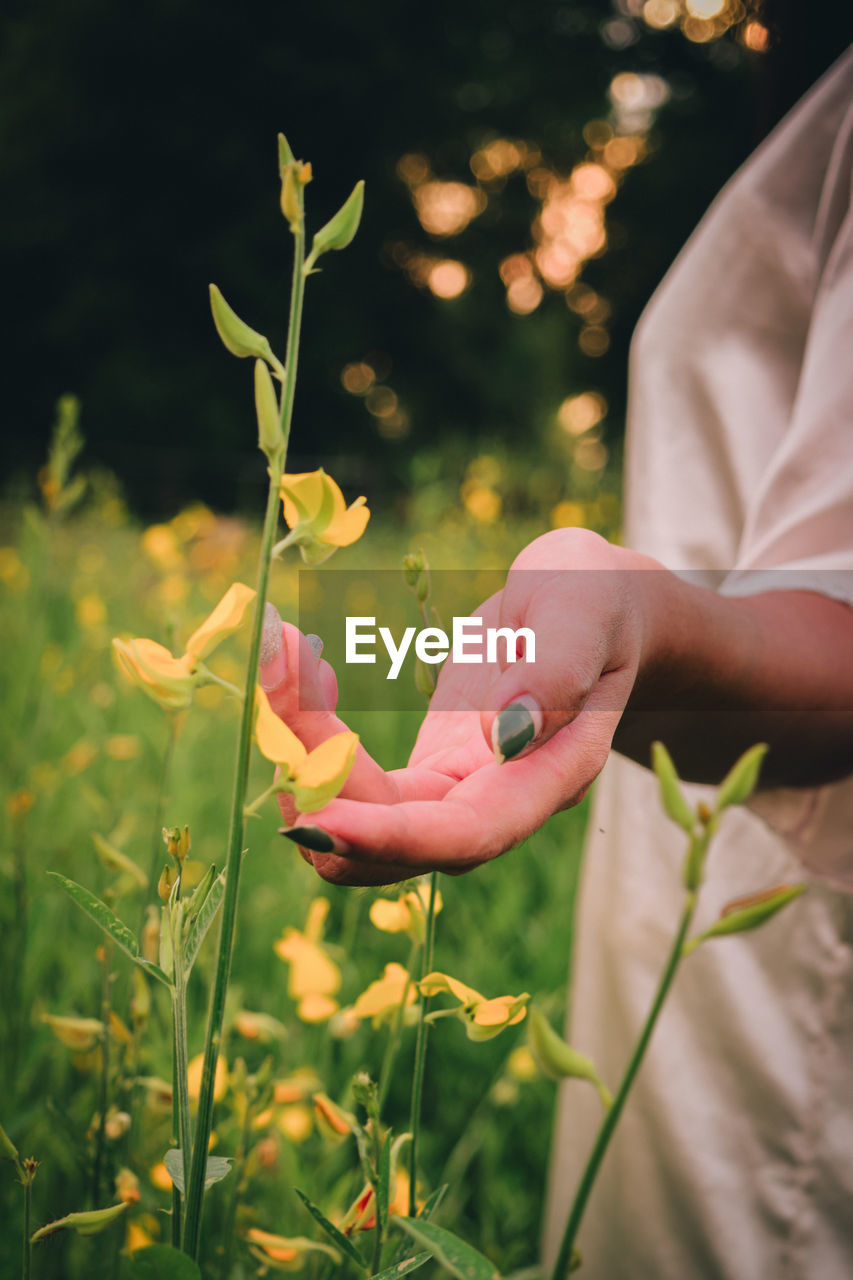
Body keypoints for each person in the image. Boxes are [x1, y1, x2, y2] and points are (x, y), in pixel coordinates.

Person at [261, 44, 853, 1278]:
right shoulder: (800, 103)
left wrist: (631, 621)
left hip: (799, 954)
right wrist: (613, 649)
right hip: (647, 805)